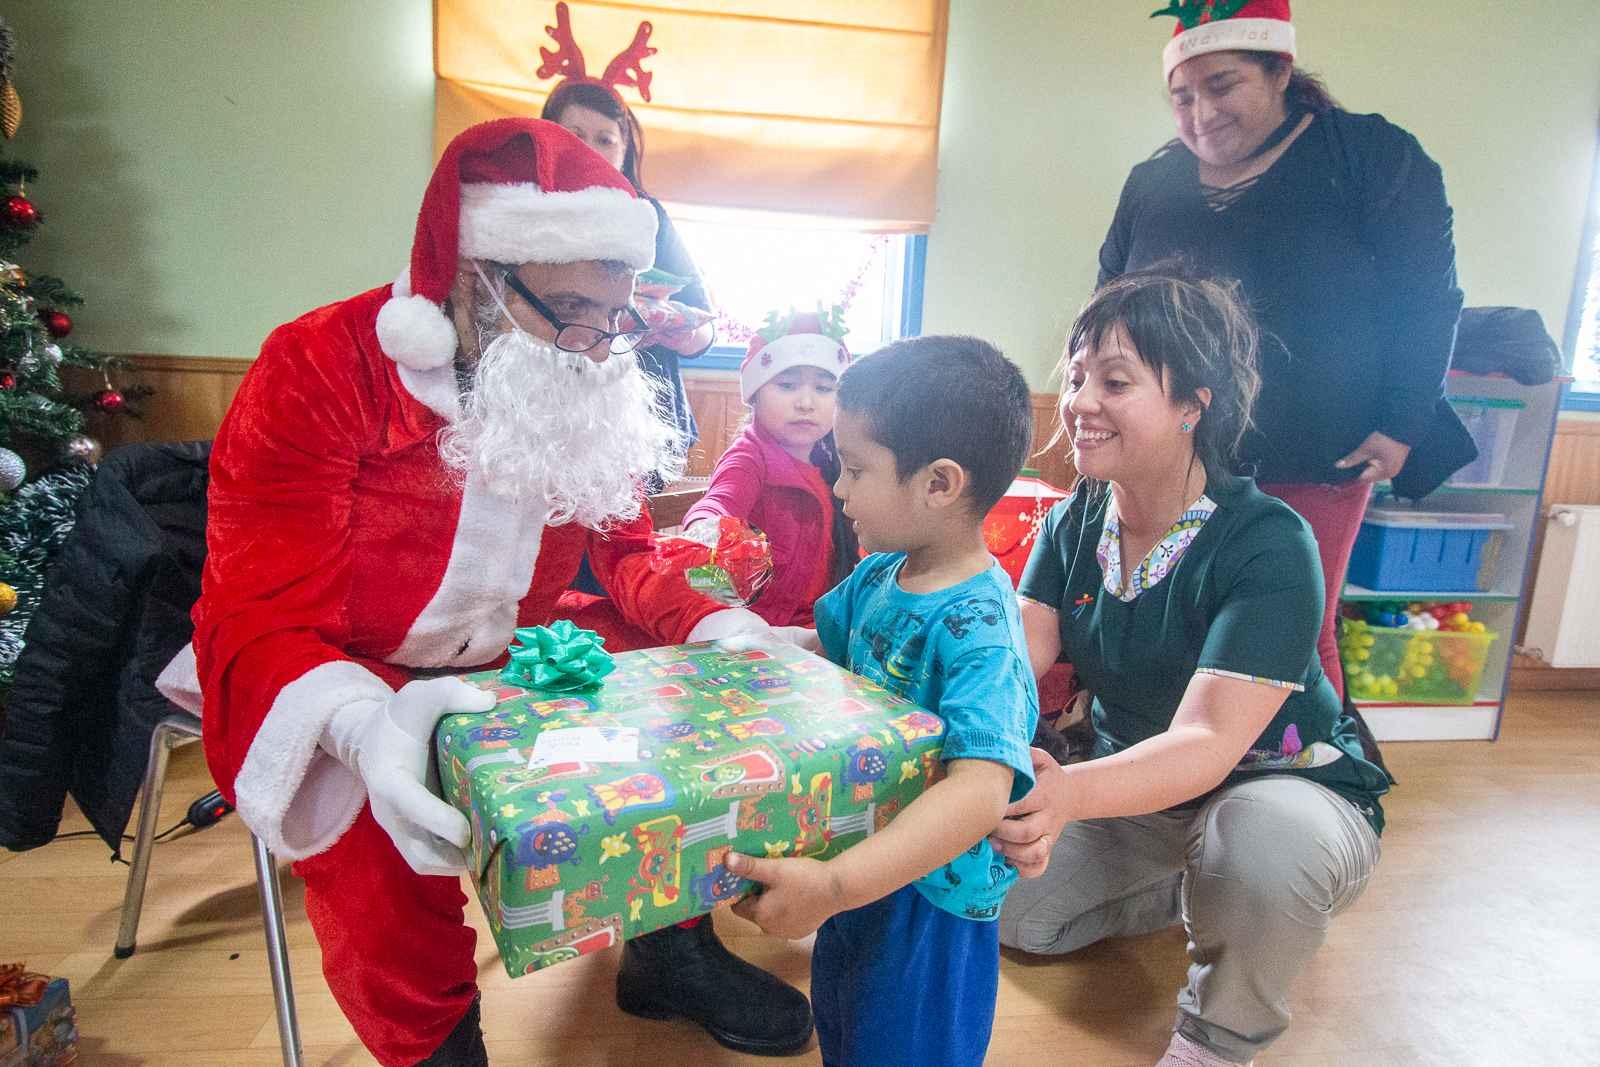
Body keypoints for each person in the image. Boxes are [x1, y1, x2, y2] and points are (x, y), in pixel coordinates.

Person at [179, 119, 813, 1066]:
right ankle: (437, 1046)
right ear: (474, 279)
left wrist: (718, 622)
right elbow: (262, 613)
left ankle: (669, 948)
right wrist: (362, 725)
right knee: (377, 836)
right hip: (345, 664)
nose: (599, 346)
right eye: (571, 311)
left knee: (685, 711)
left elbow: (628, 553)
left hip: (518, 645)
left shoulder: (579, 362)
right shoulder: (318, 367)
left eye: (618, 314)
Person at [989, 270, 1391, 1067]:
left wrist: (1063, 792)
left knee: (1257, 841)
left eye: (1115, 381)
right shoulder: (1074, 521)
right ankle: (1197, 887)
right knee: (1014, 912)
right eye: (1075, 378)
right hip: (1142, 793)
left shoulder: (1268, 541)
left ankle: (1218, 1036)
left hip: (1281, 790)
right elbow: (1013, 658)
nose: (1079, 403)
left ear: (1191, 405)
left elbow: (1208, 742)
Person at [1101, 0, 1465, 698]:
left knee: (1290, 634)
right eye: (1182, 95)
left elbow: (1428, 298)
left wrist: (1401, 422)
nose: (1200, 112)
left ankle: (1325, 788)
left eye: (1222, 85)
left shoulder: (1368, 157)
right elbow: (1111, 311)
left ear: (1279, 70)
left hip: (1317, 454)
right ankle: (1174, 780)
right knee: (1168, 622)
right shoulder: (1154, 183)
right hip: (1173, 457)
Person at [727, 336, 1040, 1066]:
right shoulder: (881, 575)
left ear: (938, 484)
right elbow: (827, 652)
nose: (838, 490)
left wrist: (835, 883)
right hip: (861, 861)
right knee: (847, 1028)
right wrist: (752, 645)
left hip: (928, 903)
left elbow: (982, 788)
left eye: (856, 470)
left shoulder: (984, 632)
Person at [543, 78, 715, 478]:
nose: (589, 149)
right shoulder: (528, 211)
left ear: (624, 151)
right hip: (551, 417)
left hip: (645, 420)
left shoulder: (648, 216)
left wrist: (672, 326)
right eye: (574, 135)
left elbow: (704, 326)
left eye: (605, 139)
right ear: (548, 138)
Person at [680, 310, 859, 627]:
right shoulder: (750, 457)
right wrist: (706, 528)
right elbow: (718, 501)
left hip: (820, 622)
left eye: (823, 388)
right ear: (755, 396)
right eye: (787, 385)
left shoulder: (835, 460)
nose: (806, 402)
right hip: (757, 628)